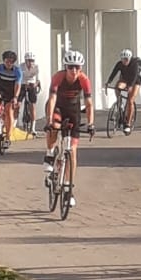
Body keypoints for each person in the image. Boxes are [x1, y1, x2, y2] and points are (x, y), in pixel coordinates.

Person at [43, 49, 95, 208]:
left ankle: (67, 189)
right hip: (57, 108)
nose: (74, 71)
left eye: (77, 67)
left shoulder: (84, 80)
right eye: (70, 67)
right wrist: (49, 120)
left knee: (72, 151)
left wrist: (91, 123)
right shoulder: (58, 77)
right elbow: (51, 99)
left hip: (73, 111)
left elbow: (89, 104)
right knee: (54, 126)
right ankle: (50, 154)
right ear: (65, 67)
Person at [104, 48, 141, 134]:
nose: (124, 62)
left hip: (135, 81)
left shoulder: (134, 64)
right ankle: (120, 103)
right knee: (117, 87)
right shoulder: (119, 64)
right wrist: (108, 82)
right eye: (123, 60)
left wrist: (130, 86)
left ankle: (128, 124)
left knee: (130, 100)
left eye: (126, 60)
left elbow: (134, 76)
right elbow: (114, 73)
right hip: (125, 79)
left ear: (129, 59)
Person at [17, 51, 41, 136]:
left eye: (32, 61)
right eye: (28, 60)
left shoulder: (36, 67)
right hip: (23, 84)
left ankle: (33, 127)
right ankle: (14, 123)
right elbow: (18, 78)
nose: (30, 63)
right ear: (25, 61)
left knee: (32, 105)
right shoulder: (21, 66)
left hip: (32, 85)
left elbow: (38, 79)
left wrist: (35, 84)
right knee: (18, 104)